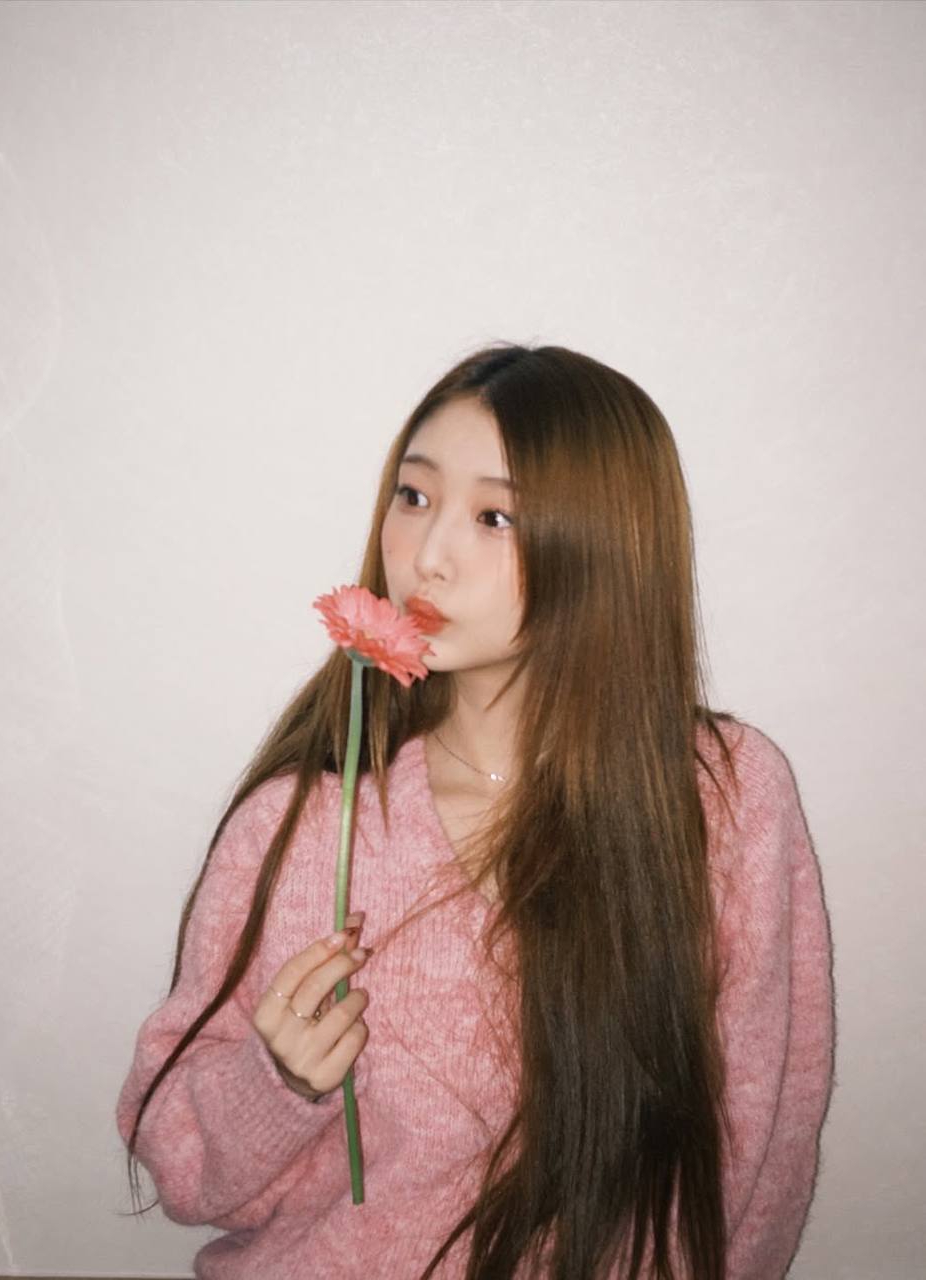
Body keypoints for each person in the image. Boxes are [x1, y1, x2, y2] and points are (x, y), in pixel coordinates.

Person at [115, 343, 835, 1280]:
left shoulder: (724, 800)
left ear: (606, 544)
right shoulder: (304, 824)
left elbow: (760, 1149)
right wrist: (277, 1082)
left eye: (494, 517)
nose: (426, 557)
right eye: (413, 497)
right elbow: (179, 1170)